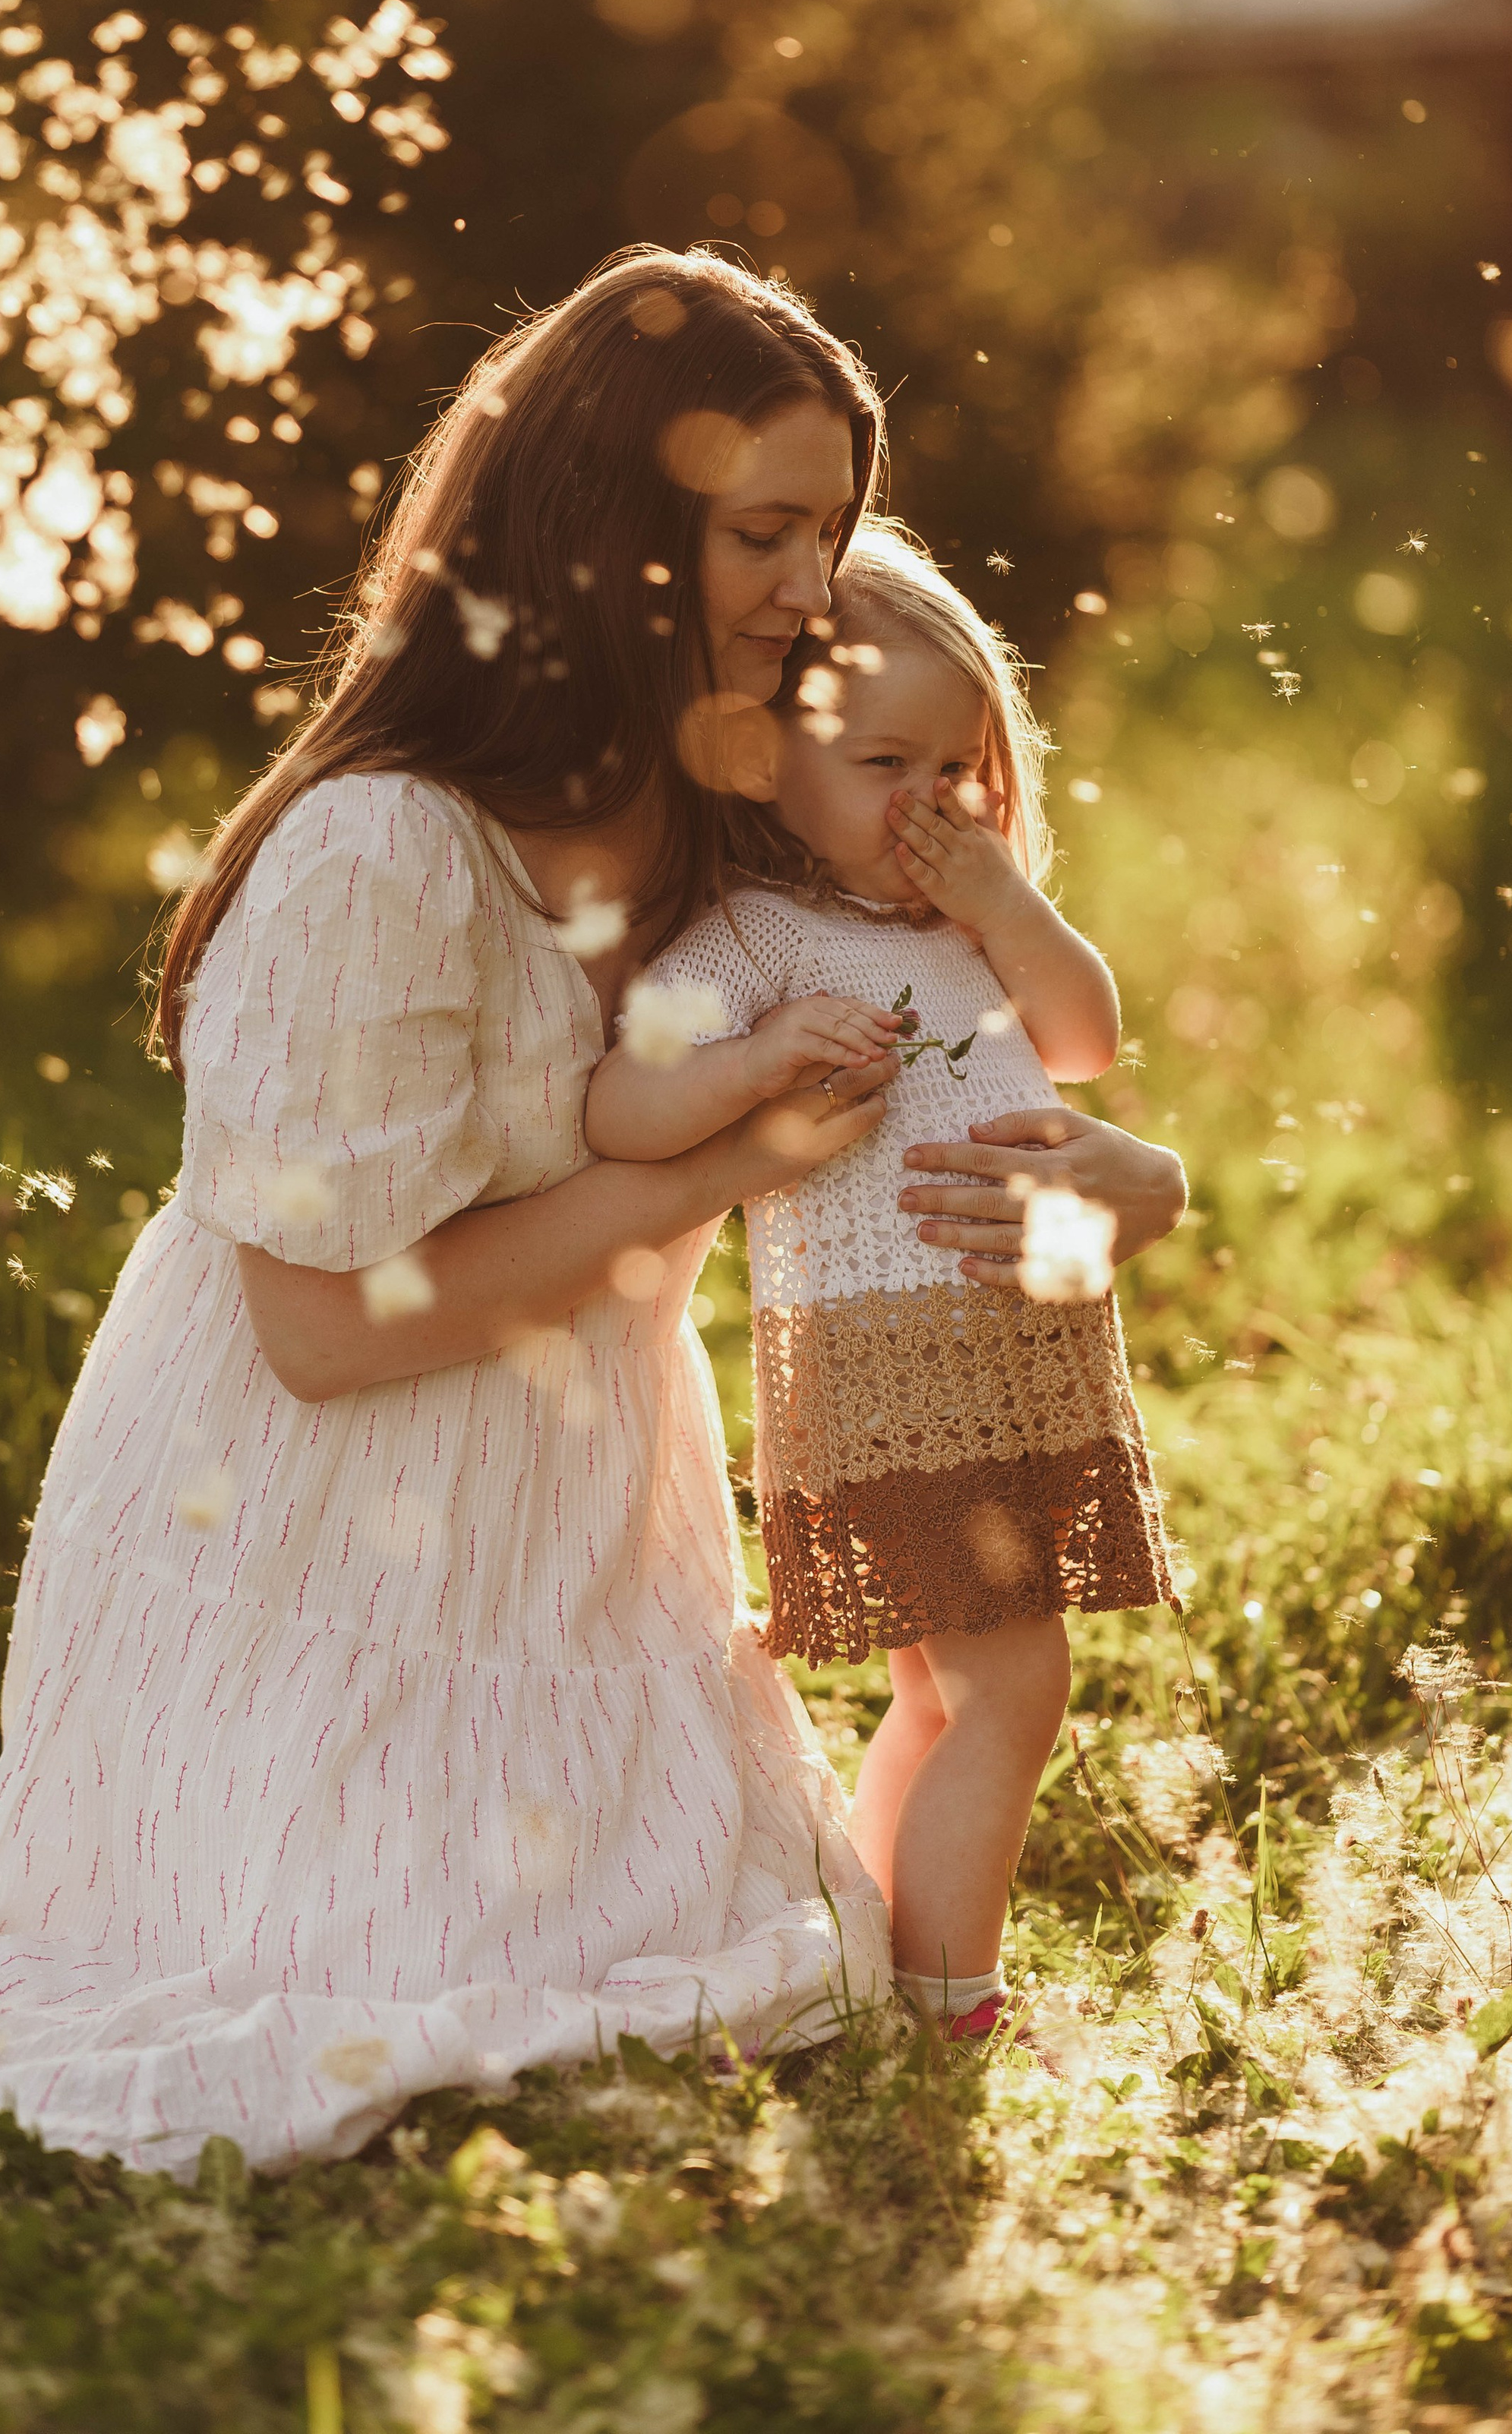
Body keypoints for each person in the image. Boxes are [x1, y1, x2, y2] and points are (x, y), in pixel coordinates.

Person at [0, 249, 1184, 2176]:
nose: (809, 588)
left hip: (583, 1491)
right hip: (308, 1524)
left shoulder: (721, 802)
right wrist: (719, 1173)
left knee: (712, 1981)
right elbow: (325, 1332)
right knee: (384, 2008)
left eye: (829, 530)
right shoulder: (378, 849)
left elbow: (972, 1037)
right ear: (605, 531)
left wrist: (1133, 1181)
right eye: (764, 532)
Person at [584, 521, 1179, 2040]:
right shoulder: (757, 936)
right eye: (881, 766)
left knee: (941, 1695)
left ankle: (878, 1946)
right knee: (1011, 1692)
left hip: (999, 1359)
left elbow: (1088, 1034)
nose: (928, 803)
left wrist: (1000, 897)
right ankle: (945, 2000)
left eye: (958, 770)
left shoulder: (957, 924)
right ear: (760, 767)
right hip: (889, 1367)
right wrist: (760, 1057)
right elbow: (621, 1103)